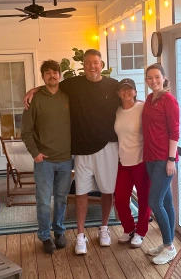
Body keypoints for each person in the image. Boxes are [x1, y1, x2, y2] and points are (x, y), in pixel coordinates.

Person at [23, 49, 120, 255]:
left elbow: (128, 98)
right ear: (82, 66)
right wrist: (33, 90)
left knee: (67, 197)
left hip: (79, 155)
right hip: (60, 156)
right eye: (87, 63)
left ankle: (75, 231)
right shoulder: (59, 90)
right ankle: (59, 235)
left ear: (101, 64)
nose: (92, 66)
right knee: (52, 199)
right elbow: (28, 129)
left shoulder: (106, 87)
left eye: (96, 62)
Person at [21, 60, 72, 254]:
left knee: (61, 199)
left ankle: (59, 231)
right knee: (43, 201)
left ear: (59, 75)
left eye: (55, 72)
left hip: (66, 159)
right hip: (45, 161)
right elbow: (25, 131)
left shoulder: (68, 97)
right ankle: (44, 235)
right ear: (43, 76)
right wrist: (35, 154)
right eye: (47, 73)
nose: (52, 75)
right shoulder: (35, 100)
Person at [142, 63, 180, 265]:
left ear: (164, 78)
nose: (153, 81)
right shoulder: (149, 99)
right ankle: (168, 242)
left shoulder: (169, 101)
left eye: (157, 77)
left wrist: (171, 159)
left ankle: (169, 247)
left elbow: (174, 132)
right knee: (166, 202)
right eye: (149, 78)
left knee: (154, 202)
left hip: (165, 159)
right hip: (150, 157)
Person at [114, 78, 151, 248]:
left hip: (141, 160)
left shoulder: (142, 108)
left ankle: (141, 232)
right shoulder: (117, 111)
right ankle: (129, 229)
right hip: (123, 162)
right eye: (123, 89)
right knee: (120, 199)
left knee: (144, 199)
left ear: (135, 92)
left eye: (130, 89)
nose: (126, 92)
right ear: (118, 93)